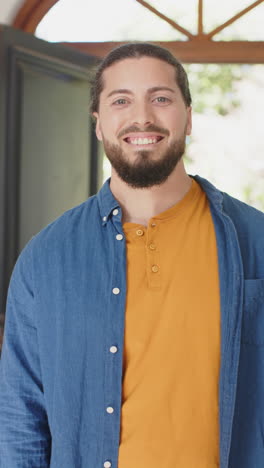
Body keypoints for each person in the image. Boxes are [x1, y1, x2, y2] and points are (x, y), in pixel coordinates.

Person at [0, 42, 263, 468]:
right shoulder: (44, 260)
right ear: (99, 123)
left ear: (189, 115)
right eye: (121, 101)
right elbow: (21, 419)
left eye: (161, 98)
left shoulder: (256, 240)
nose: (142, 117)